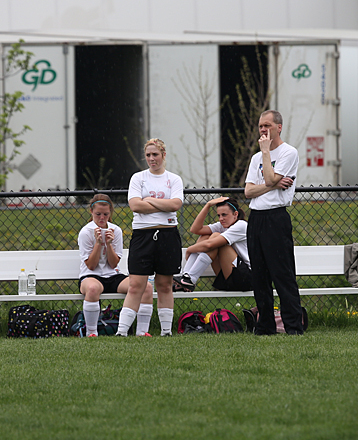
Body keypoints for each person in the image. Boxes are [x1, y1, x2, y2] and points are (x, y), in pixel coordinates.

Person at [244, 109, 303, 335]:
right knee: (259, 275)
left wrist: (267, 153)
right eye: (260, 126)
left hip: (276, 217)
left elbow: (268, 177)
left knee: (282, 274)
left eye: (267, 125)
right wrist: (272, 184)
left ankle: (293, 326)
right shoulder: (255, 157)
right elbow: (248, 191)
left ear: (279, 127)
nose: (263, 130)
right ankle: (265, 325)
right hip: (256, 218)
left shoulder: (289, 153)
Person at [117, 138, 184, 337]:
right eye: (148, 155)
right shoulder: (138, 178)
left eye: (155, 154)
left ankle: (166, 331)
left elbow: (175, 205)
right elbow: (135, 206)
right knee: (136, 284)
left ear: (163, 155)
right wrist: (164, 203)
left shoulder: (174, 179)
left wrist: (151, 200)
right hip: (142, 236)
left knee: (164, 285)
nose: (151, 159)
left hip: (168, 234)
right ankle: (122, 331)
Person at [77, 194, 153, 337]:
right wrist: (99, 243)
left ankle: (142, 332)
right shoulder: (86, 232)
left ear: (110, 213)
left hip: (112, 275)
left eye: (105, 214)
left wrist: (109, 243)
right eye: (98, 214)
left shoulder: (115, 230)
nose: (102, 218)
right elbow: (91, 266)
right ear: (91, 212)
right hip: (90, 276)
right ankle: (91, 332)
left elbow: (113, 264)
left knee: (146, 287)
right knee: (93, 289)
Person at [173, 196, 251, 292]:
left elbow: (209, 245)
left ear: (235, 214)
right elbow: (195, 229)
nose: (221, 218)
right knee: (205, 236)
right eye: (219, 215)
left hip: (246, 278)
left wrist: (190, 249)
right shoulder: (222, 225)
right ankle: (187, 277)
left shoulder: (241, 225)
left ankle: (190, 278)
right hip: (227, 278)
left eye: (224, 215)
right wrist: (208, 205)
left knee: (215, 237)